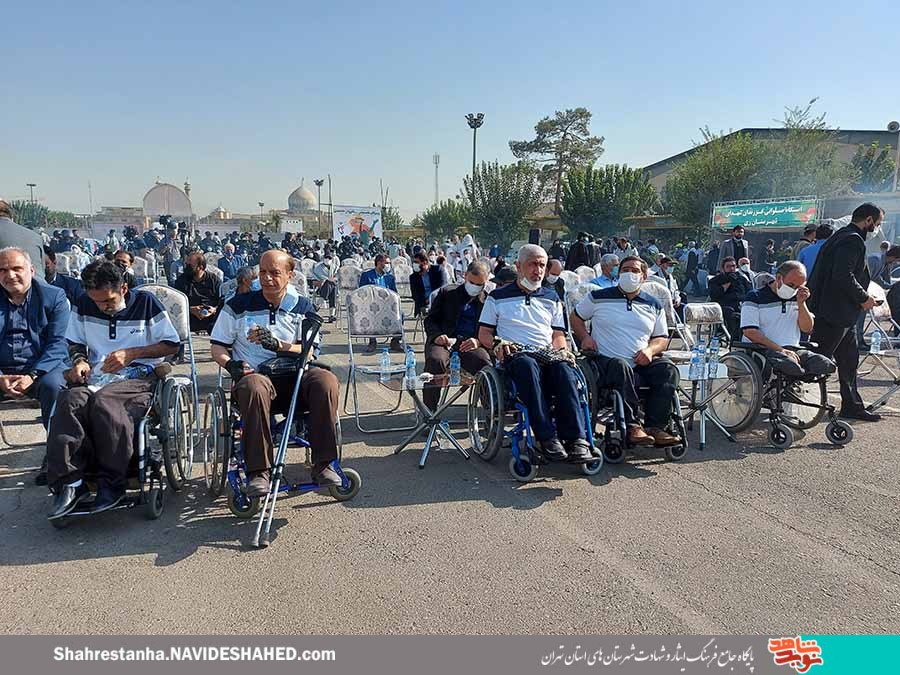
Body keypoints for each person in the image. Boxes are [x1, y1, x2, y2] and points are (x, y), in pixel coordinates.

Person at [45, 261, 181, 519]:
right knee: (69, 401)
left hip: (138, 377)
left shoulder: (146, 303)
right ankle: (70, 483)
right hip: (97, 376)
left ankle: (112, 481)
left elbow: (172, 345)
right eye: (96, 301)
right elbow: (75, 342)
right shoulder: (84, 304)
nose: (102, 307)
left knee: (105, 401)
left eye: (108, 301)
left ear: (124, 288)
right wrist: (80, 361)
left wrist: (133, 353)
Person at [210, 250, 342, 497]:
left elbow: (309, 351)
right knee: (254, 386)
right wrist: (230, 365)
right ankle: (259, 472)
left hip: (295, 377)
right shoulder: (238, 305)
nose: (267, 278)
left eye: (274, 272)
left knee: (326, 381)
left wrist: (279, 345)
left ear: (290, 275)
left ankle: (324, 464)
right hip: (256, 378)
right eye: (263, 272)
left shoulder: (302, 306)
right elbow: (217, 346)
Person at [477, 244, 592, 463]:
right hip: (515, 356)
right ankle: (546, 437)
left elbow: (558, 334)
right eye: (532, 264)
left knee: (565, 370)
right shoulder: (497, 297)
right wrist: (498, 344)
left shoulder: (551, 297)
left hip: (546, 354)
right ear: (519, 266)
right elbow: (484, 333)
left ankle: (576, 439)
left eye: (542, 265)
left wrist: (562, 350)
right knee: (527, 366)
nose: (538, 270)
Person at [571, 255, 680, 446]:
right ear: (618, 274)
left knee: (668, 370)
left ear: (644, 277)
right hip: (605, 362)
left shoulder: (653, 304)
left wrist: (650, 351)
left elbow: (661, 338)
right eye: (625, 270)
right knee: (620, 366)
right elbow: (575, 317)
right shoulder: (598, 297)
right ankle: (632, 426)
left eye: (635, 271)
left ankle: (656, 427)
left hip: (640, 361)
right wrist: (585, 337)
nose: (629, 274)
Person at [0, 247, 70, 485]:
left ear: (31, 270)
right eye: (3, 270)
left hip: (42, 368)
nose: (10, 275)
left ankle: (55, 457)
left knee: (55, 387)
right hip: (3, 371)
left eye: (16, 268)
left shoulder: (54, 296)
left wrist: (32, 375)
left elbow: (58, 343)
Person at [807, 203, 881, 422]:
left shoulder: (841, 236)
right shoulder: (852, 240)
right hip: (834, 313)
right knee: (818, 362)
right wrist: (864, 298)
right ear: (868, 220)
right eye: (877, 223)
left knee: (849, 361)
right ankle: (792, 402)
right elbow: (843, 275)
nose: (877, 228)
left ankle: (852, 406)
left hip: (842, 314)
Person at [740, 260, 834, 378]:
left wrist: (801, 303)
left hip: (793, 350)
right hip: (763, 349)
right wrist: (780, 350)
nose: (793, 290)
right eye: (791, 285)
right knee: (791, 366)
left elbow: (807, 328)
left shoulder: (797, 298)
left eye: (798, 287)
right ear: (778, 278)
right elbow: (750, 332)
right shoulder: (754, 297)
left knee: (825, 364)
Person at [423, 261, 493, 410]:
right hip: (444, 340)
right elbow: (430, 320)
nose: (475, 287)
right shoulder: (447, 293)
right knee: (436, 361)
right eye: (472, 282)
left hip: (469, 343)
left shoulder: (487, 300)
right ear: (465, 276)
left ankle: (491, 410)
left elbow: (490, 328)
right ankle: (429, 410)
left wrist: (478, 341)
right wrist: (437, 335)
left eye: (479, 285)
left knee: (484, 363)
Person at [359, 254, 402, 353]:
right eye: (386, 263)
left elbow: (395, 293)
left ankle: (395, 341)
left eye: (389, 263)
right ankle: (372, 341)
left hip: (387, 305)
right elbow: (361, 292)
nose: (388, 265)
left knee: (401, 314)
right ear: (379, 263)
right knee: (370, 314)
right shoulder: (367, 275)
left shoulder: (390, 277)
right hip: (371, 305)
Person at [173, 250, 222, 333]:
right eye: (187, 264)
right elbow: (176, 302)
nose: (187, 266)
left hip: (211, 319)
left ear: (201, 267)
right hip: (189, 318)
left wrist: (214, 310)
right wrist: (190, 309)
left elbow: (223, 301)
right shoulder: (181, 280)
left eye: (190, 265)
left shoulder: (214, 280)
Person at [0, 199, 46, 280]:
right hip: (40, 284)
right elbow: (42, 269)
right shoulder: (35, 236)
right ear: (11, 216)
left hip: (11, 284)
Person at [708, 257, 750, 338]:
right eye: (728, 266)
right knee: (732, 314)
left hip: (741, 306)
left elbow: (749, 293)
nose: (731, 269)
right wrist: (728, 282)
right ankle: (734, 338)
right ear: (723, 268)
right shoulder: (715, 281)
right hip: (724, 307)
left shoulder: (741, 279)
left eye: (733, 266)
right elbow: (714, 295)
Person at [409, 250, 449, 317]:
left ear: (425, 262)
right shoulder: (413, 277)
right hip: (423, 304)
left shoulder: (438, 270)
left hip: (439, 302)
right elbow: (415, 295)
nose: (414, 264)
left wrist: (431, 300)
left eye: (417, 262)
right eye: (414, 262)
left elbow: (442, 288)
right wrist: (426, 302)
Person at [312, 250, 339, 322]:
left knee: (332, 286)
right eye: (326, 258)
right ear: (323, 258)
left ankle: (318, 305)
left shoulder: (333, 266)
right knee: (329, 283)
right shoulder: (318, 267)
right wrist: (327, 279)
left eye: (329, 258)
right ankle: (331, 315)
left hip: (330, 287)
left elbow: (336, 276)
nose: (328, 259)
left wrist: (333, 279)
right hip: (320, 287)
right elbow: (316, 278)